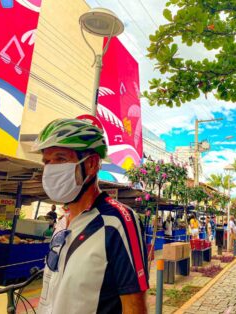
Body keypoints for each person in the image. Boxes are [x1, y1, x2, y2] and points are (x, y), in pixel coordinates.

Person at [34, 118, 148, 314]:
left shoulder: (119, 221)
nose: (51, 168)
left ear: (92, 164)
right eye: (47, 161)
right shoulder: (61, 224)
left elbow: (134, 308)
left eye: (60, 158)